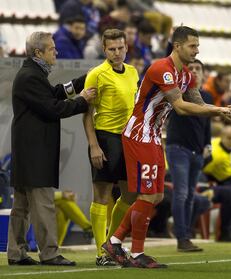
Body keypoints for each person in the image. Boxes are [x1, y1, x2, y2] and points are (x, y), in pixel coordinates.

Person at [102, 26, 231, 268]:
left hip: (152, 136)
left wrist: (227, 111)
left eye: (197, 45)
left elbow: (199, 103)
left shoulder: (187, 75)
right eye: (193, 45)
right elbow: (181, 107)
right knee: (148, 194)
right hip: (139, 134)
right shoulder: (162, 69)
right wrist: (218, 110)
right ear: (177, 46)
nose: (197, 50)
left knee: (158, 195)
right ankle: (137, 252)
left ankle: (115, 241)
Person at [8, 31, 96, 266]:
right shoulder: (30, 76)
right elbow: (53, 108)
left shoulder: (32, 74)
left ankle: (16, 253)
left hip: (27, 152)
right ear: (39, 52)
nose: (56, 52)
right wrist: (83, 101)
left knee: (22, 206)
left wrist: (81, 82)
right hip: (34, 152)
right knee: (44, 203)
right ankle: (49, 253)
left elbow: (54, 93)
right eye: (52, 48)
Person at [83, 29, 139, 266]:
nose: (117, 53)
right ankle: (100, 253)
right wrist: (94, 145)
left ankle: (110, 245)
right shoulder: (96, 74)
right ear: (104, 50)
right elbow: (87, 114)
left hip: (128, 139)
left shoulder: (134, 72)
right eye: (111, 49)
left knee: (129, 195)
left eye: (120, 48)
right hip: (105, 138)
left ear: (126, 47)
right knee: (102, 196)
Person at [166, 59, 212, 252]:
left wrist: (208, 143)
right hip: (179, 149)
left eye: (197, 69)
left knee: (190, 196)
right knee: (182, 193)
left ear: (203, 73)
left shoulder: (206, 96)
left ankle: (185, 236)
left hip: (197, 152)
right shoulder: (179, 92)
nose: (193, 71)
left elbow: (207, 122)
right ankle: (182, 237)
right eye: (190, 68)